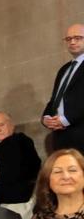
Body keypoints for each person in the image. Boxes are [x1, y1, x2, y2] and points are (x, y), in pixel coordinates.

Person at [0, 111, 42, 219]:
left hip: (18, 201)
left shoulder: (22, 141)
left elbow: (33, 167)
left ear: (11, 125)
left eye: (1, 125)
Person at [42, 24, 84, 153]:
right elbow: (55, 99)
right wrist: (46, 117)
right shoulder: (64, 69)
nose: (72, 42)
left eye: (78, 38)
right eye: (68, 39)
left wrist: (65, 120)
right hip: (60, 136)